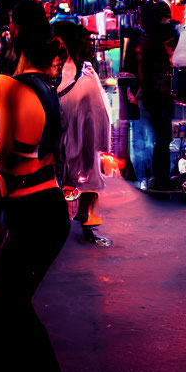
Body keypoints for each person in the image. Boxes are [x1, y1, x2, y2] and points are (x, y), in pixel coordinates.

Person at [0, 0, 69, 372]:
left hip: (30, 212)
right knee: (7, 307)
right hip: (47, 209)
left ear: (13, 33)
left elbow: (7, 156)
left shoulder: (6, 86)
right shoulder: (47, 89)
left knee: (4, 308)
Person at [53, 21, 112, 246]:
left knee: (64, 177)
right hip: (82, 134)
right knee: (89, 176)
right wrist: (100, 141)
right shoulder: (85, 70)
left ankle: (69, 220)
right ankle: (86, 221)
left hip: (60, 133)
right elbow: (98, 112)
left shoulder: (54, 68)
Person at [135, 0, 179, 191]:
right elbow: (172, 60)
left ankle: (154, 177)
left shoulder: (144, 38)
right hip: (161, 93)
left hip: (149, 93)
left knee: (154, 138)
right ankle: (160, 178)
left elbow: (139, 64)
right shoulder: (170, 34)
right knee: (162, 137)